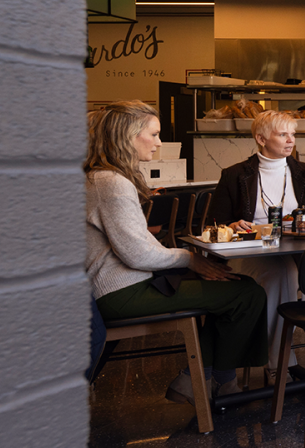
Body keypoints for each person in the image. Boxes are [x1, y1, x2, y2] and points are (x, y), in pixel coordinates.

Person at [84, 101, 268, 403]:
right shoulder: (112, 183)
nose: (159, 143)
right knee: (246, 294)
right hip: (121, 293)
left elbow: (139, 245)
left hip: (119, 287)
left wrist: (189, 262)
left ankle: (207, 379)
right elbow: (138, 255)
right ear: (128, 135)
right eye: (154, 135)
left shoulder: (100, 177)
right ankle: (215, 380)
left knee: (234, 288)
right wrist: (189, 259)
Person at [210, 110, 305, 374]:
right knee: (283, 272)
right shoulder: (234, 175)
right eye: (283, 134)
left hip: (300, 248)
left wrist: (304, 222)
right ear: (261, 138)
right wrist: (234, 226)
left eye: (293, 134)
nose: (291, 140)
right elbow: (216, 224)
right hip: (252, 252)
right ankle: (282, 363)